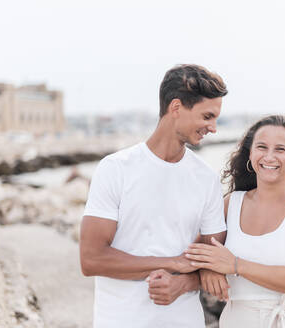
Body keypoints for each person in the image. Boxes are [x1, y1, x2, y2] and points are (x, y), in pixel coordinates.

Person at [79, 64, 229, 327]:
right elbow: (91, 259)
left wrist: (181, 283)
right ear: (176, 108)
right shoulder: (115, 169)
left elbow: (213, 265)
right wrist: (173, 262)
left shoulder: (207, 179)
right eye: (207, 116)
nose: (213, 127)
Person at [185, 115, 285, 327]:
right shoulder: (230, 204)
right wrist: (208, 269)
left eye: (280, 149)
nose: (269, 156)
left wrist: (235, 265)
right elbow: (196, 250)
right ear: (251, 152)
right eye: (262, 147)